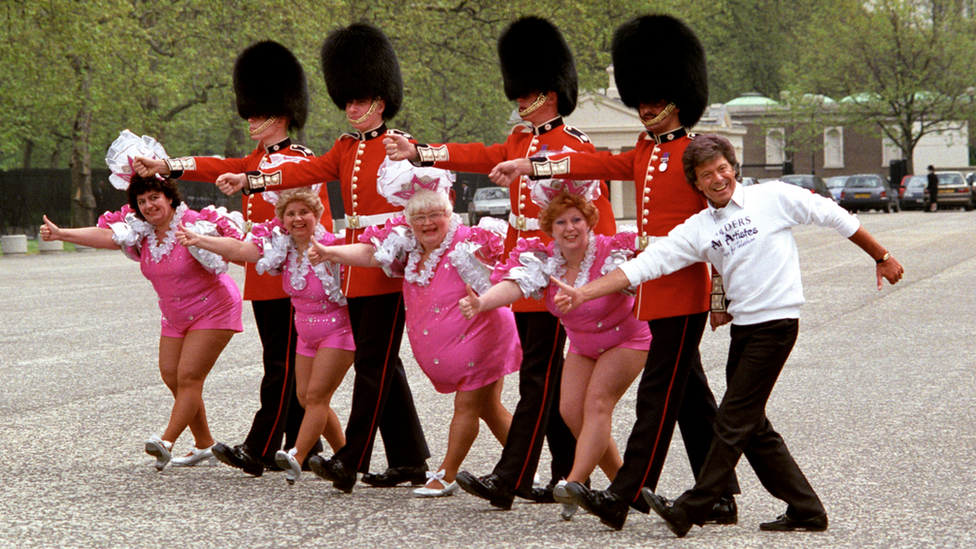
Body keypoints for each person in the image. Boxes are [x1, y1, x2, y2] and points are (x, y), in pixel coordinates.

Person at [552, 134, 905, 537]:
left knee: (733, 422)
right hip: (745, 329)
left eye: (723, 169)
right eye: (707, 175)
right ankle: (806, 508)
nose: (718, 179)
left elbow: (835, 216)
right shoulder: (699, 227)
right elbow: (646, 265)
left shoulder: (772, 196)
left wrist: (881, 256)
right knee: (752, 425)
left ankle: (692, 508)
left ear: (733, 167)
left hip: (778, 325)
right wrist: (585, 291)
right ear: (697, 184)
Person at [488, 14, 739, 529]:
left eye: (655, 100)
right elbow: (597, 165)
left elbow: (721, 231)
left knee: (660, 397)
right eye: (642, 100)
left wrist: (720, 293)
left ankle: (623, 495)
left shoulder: (696, 155)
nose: (646, 110)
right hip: (651, 283)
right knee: (690, 393)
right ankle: (720, 493)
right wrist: (530, 167)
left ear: (678, 99)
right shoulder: (647, 149)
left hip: (683, 285)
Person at [384, 15, 617, 508]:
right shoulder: (519, 140)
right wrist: (421, 153)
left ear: (548, 93)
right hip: (522, 271)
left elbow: (595, 219)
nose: (518, 100)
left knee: (539, 379)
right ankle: (566, 475)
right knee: (545, 383)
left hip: (555, 275)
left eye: (525, 91)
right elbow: (477, 153)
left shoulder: (574, 147)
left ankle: (509, 478)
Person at [213, 22, 430, 493]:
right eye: (348, 100)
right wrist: (249, 181)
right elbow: (303, 170)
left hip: (385, 265)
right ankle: (410, 459)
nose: (352, 108)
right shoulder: (346, 147)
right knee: (382, 363)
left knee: (374, 364)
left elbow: (425, 199)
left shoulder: (401, 146)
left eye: (360, 99)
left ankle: (352, 457)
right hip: (354, 266)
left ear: (381, 100)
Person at [133, 41, 325, 473]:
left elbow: (307, 217)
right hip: (263, 275)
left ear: (282, 114)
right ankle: (305, 446)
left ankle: (259, 448)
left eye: (259, 114)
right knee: (289, 366)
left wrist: (249, 179)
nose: (252, 121)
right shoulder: (255, 159)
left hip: (292, 277)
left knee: (282, 365)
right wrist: (164, 165)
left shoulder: (298, 161)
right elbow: (213, 164)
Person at [40, 131, 245, 470]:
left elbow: (233, 251)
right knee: (171, 376)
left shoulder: (193, 222)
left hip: (215, 307)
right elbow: (107, 236)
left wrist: (204, 242)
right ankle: (205, 444)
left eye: (155, 197)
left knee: (190, 376)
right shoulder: (142, 232)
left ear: (169, 197)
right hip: (175, 314)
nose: (150, 206)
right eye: (143, 202)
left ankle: (166, 441)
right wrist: (63, 234)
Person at [308, 184, 520, 498]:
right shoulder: (410, 248)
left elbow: (504, 272)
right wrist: (330, 252)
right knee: (490, 409)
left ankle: (446, 474)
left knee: (466, 406)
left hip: (482, 338)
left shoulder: (468, 242)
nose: (427, 223)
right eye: (418, 217)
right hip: (456, 345)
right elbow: (370, 255)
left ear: (450, 214)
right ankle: (520, 470)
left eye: (435, 215)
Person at [459, 184, 651, 520]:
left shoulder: (610, 250)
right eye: (560, 223)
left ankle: (573, 484)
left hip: (627, 338)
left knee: (597, 403)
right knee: (570, 411)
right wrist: (482, 303)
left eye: (576, 219)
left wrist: (587, 293)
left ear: (589, 222)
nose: (570, 228)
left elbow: (632, 278)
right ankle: (626, 490)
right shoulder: (545, 259)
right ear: (550, 229)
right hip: (583, 343)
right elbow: (516, 284)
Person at [175, 188, 354, 485]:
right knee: (306, 397)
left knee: (316, 396)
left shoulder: (333, 246)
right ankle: (346, 461)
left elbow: (367, 262)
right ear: (282, 220)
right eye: (290, 214)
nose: (297, 219)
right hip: (305, 334)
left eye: (303, 212)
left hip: (338, 331)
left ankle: (295, 456)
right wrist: (200, 240)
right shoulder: (282, 250)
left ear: (317, 215)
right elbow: (240, 251)